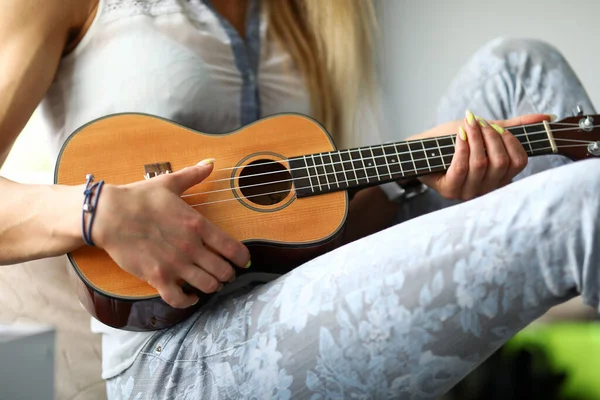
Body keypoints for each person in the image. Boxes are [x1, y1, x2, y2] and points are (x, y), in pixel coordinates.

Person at [1, 0, 598, 398]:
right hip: (182, 352)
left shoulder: (309, 15)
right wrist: (96, 211)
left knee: (519, 65)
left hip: (295, 292)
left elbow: (306, 227)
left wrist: (409, 171)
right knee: (584, 201)